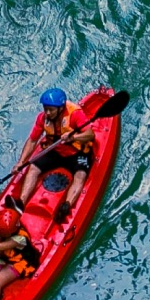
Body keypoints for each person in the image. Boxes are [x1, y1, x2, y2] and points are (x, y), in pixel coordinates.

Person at [23, 87, 100, 219]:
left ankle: (66, 205)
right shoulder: (43, 118)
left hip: (77, 152)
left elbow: (90, 135)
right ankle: (20, 203)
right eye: (45, 108)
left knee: (80, 175)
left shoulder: (75, 114)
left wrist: (73, 138)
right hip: (55, 150)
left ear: (60, 108)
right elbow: (32, 140)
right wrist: (21, 162)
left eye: (51, 110)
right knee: (33, 168)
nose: (47, 112)